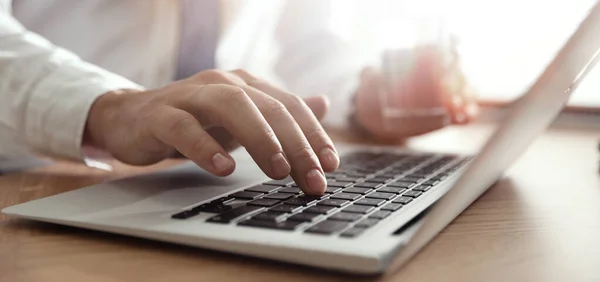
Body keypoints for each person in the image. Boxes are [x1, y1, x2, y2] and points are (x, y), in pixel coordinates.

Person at [0, 0, 476, 195]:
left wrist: (361, 97)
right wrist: (107, 106)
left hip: (182, 186)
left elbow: (310, 39)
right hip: (31, 177)